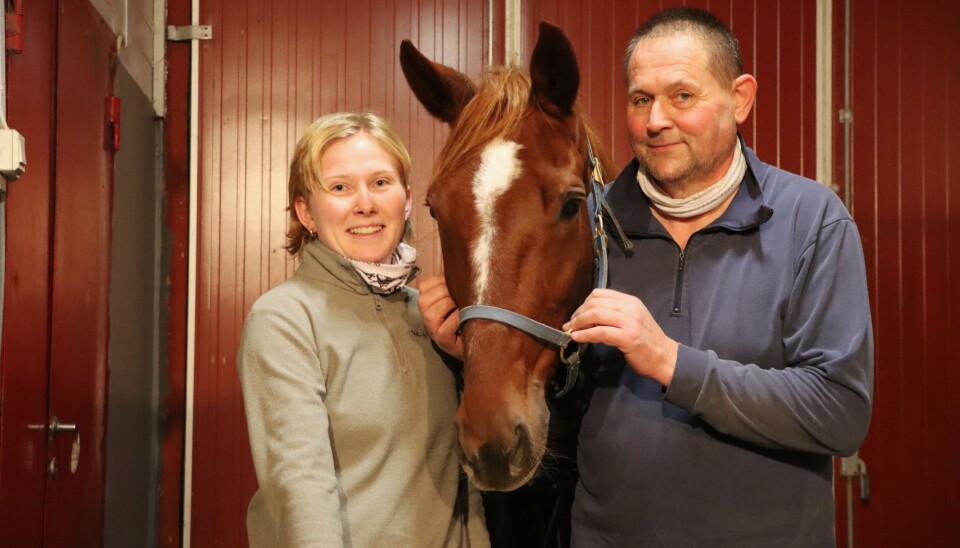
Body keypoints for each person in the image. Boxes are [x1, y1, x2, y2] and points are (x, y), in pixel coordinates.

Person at [420, 6, 873, 547]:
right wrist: (467, 348)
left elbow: (840, 413)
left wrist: (670, 361)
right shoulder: (585, 227)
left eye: (682, 96)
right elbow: (559, 401)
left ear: (740, 98)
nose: (657, 119)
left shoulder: (811, 220)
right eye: (641, 99)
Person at [238, 111, 489, 548]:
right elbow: (300, 482)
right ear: (306, 212)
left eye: (379, 183)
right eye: (339, 187)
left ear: (406, 200)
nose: (365, 204)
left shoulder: (433, 317)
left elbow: (470, 467)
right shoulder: (284, 318)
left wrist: (466, 361)